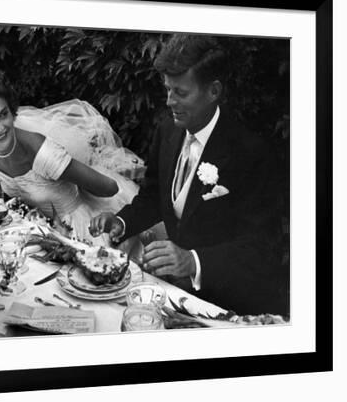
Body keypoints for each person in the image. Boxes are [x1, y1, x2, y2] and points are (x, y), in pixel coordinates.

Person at [90, 34, 287, 315]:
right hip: (177, 294)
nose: (170, 101)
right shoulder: (167, 130)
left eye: (180, 93)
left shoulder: (251, 153)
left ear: (213, 91)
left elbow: (261, 248)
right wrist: (121, 222)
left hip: (232, 301)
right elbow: (153, 197)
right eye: (167, 90)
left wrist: (193, 261)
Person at [0, 68, 141, 245]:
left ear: (11, 110)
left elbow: (110, 188)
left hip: (84, 233)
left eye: (3, 115)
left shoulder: (42, 152)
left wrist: (70, 175)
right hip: (42, 232)